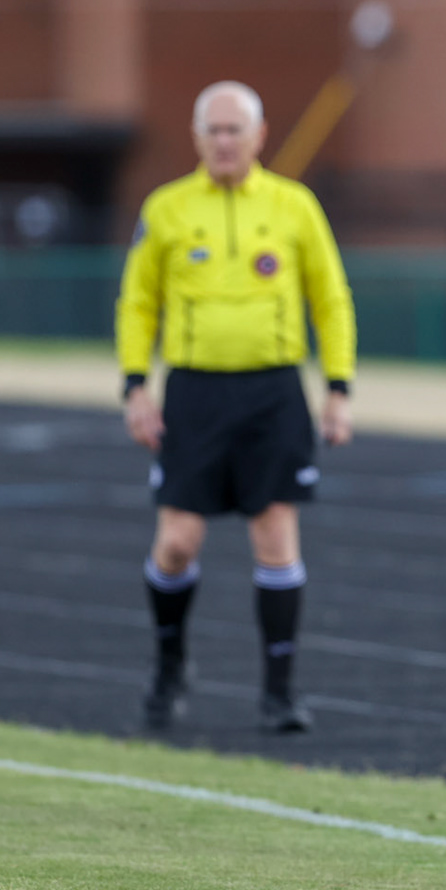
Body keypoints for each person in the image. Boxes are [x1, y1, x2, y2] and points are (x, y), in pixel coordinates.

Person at [115, 80, 356, 734]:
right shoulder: (165, 209)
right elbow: (138, 302)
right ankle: (170, 666)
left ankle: (279, 693)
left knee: (275, 535)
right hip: (194, 393)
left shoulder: (293, 206)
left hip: (273, 393)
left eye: (235, 130)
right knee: (175, 542)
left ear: (259, 134)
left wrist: (338, 390)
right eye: (213, 130)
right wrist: (136, 386)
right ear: (197, 137)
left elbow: (330, 299)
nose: (224, 141)